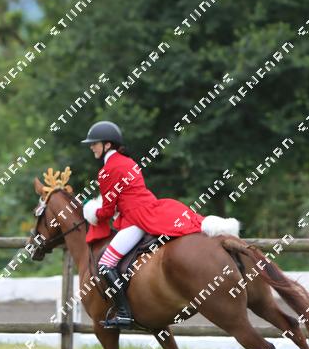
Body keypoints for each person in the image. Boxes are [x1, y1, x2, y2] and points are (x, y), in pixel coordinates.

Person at [81, 121, 239, 329]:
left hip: (135, 220)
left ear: (107, 144)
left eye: (95, 143)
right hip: (147, 209)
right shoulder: (128, 162)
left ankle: (124, 313)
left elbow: (108, 211)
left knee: (105, 263)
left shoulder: (108, 170)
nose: (92, 147)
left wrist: (92, 212)